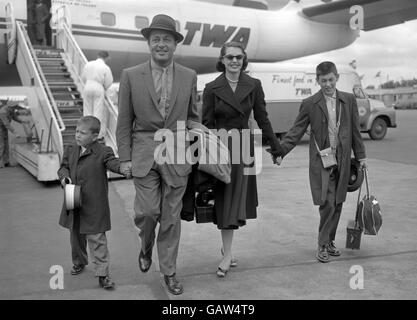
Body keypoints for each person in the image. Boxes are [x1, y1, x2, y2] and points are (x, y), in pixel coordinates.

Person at [116, 14, 200, 295]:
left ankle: (169, 271)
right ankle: (145, 244)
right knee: (150, 212)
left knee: (171, 218)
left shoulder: (189, 76)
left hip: (177, 155)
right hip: (143, 153)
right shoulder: (130, 75)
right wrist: (125, 158)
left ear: (175, 44)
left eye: (167, 39)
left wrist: (200, 137)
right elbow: (124, 121)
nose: (161, 44)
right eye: (156, 39)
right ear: (148, 43)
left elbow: (192, 117)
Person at [202, 41, 283, 277]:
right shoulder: (211, 88)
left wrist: (276, 148)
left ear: (244, 59)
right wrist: (205, 154)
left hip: (244, 147)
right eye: (230, 57)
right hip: (221, 148)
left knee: (235, 204)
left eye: (238, 57)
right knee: (226, 202)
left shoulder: (254, 85)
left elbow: (262, 118)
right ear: (222, 60)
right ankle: (227, 253)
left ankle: (226, 251)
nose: (234, 61)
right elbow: (206, 125)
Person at [277, 61, 367, 263]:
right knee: (326, 203)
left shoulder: (349, 100)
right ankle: (322, 244)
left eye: (331, 79)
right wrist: (281, 151)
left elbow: (355, 132)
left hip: (343, 160)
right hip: (322, 162)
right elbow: (296, 131)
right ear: (317, 80)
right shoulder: (310, 103)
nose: (328, 84)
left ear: (337, 78)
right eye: (323, 80)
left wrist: (361, 157)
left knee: (338, 202)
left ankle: (330, 241)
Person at [58, 116, 123, 290]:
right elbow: (63, 167)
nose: (78, 135)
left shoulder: (104, 151)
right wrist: (64, 177)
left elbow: (113, 163)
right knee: (76, 234)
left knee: (97, 238)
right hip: (73, 197)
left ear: (94, 136)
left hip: (94, 202)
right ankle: (79, 261)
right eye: (77, 131)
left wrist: (124, 167)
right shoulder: (71, 149)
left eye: (83, 133)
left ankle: (103, 274)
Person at [81, 51, 113, 140]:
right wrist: (104, 87)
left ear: (98, 56)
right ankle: (96, 135)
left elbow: (83, 77)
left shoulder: (88, 64)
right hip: (98, 87)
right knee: (97, 111)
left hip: (88, 86)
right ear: (106, 58)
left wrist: (87, 83)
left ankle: (85, 132)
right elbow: (109, 81)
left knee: (87, 111)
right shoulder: (105, 67)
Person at [0, 99, 30, 168]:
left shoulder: (11, 110)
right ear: (10, 107)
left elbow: (14, 118)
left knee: (6, 145)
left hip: (3, 128)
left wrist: (22, 121)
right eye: (15, 107)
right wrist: (15, 133)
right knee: (1, 146)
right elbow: (7, 124)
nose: (16, 108)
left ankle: (6, 162)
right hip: (1, 128)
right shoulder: (3, 112)